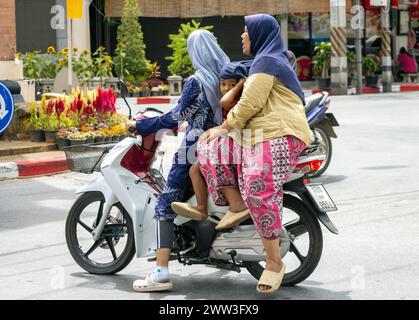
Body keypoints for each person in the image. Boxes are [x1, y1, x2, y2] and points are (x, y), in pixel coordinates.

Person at [197, 14, 312, 293]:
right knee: (208, 146)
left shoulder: (267, 60)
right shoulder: (263, 61)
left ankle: (273, 263)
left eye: (246, 31)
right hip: (257, 134)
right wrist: (220, 133)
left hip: (281, 132)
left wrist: (224, 126)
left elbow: (250, 103)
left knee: (257, 181)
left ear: (259, 34)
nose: (242, 36)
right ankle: (236, 205)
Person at [125, 30, 230, 292]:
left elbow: (175, 116)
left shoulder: (197, 80)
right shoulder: (224, 75)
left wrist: (142, 126)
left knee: (165, 205)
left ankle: (160, 273)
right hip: (221, 143)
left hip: (194, 148)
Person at [171, 62, 249, 226]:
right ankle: (201, 207)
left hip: (240, 145)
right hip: (230, 143)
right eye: (222, 84)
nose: (226, 88)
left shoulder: (239, 100)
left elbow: (224, 102)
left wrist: (241, 84)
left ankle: (235, 203)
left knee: (209, 157)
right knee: (194, 170)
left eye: (231, 84)